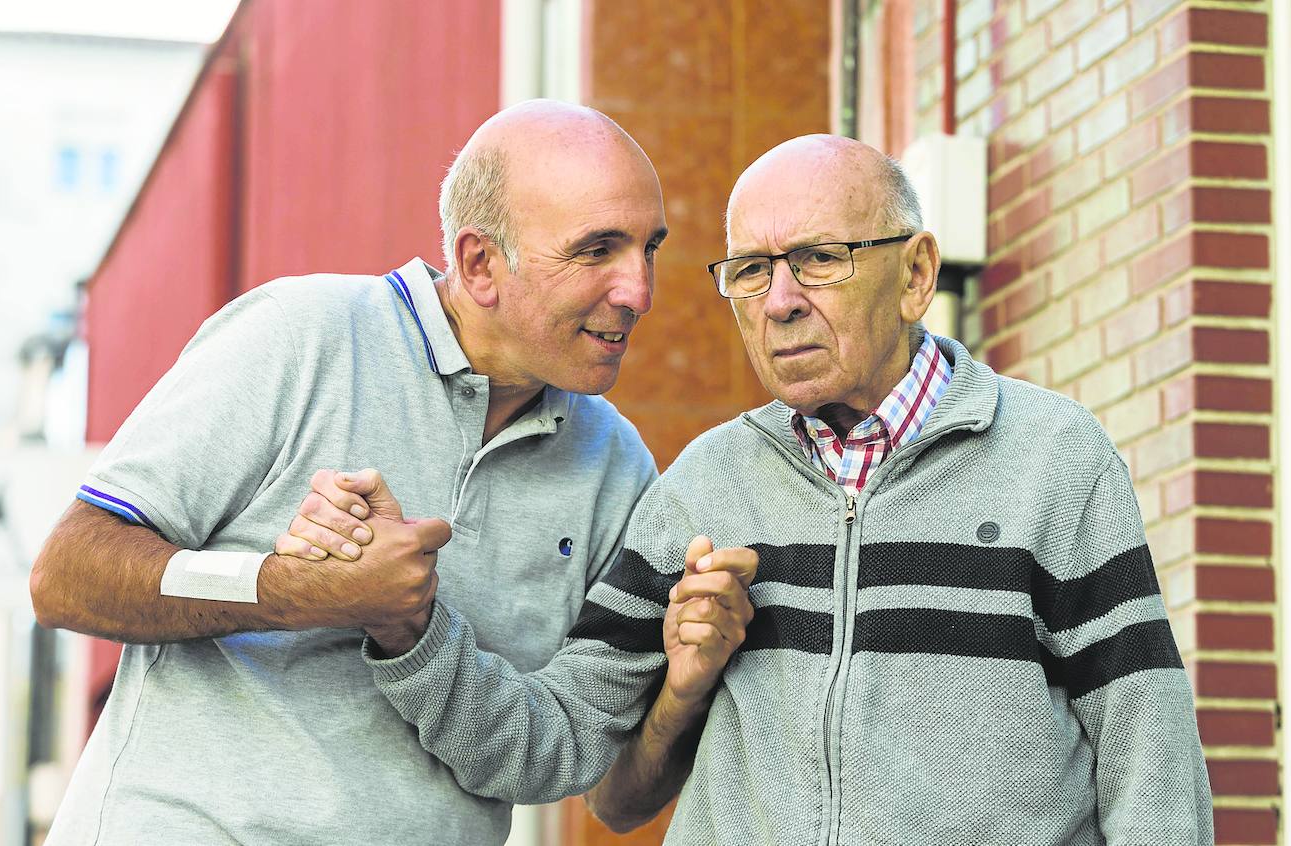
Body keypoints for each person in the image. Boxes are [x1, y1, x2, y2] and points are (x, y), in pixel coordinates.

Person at [294, 134, 1213, 844]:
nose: (778, 301)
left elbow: (1149, 750)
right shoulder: (704, 487)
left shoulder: (1053, 457)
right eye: (751, 271)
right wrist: (409, 628)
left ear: (917, 274)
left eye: (819, 259)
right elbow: (569, 749)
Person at [29, 100, 751, 845]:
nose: (639, 291)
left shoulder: (617, 469)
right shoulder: (298, 337)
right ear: (479, 264)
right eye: (596, 250)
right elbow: (69, 572)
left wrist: (411, 629)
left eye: (649, 248)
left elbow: (567, 759)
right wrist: (286, 590)